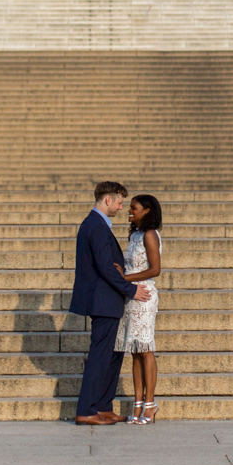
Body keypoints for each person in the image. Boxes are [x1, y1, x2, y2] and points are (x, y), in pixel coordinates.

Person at [69, 180, 151, 424]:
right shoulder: (96, 225)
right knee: (100, 356)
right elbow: (106, 267)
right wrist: (131, 289)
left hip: (108, 301)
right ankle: (86, 410)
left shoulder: (96, 224)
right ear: (108, 200)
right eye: (119, 202)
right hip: (102, 301)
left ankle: (103, 407)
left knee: (111, 356)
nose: (121, 207)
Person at [116, 193, 165, 423]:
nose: (129, 211)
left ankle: (150, 404)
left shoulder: (150, 235)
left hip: (144, 296)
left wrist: (125, 278)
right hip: (131, 297)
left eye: (133, 208)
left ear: (146, 211)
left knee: (145, 349)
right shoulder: (134, 235)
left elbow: (155, 269)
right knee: (134, 351)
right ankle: (137, 404)